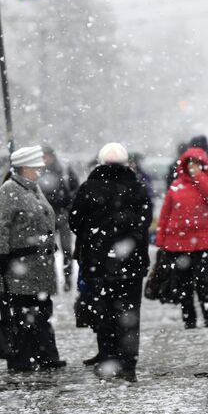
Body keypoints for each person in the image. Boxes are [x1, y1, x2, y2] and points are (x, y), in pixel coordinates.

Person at [69, 142, 152, 382]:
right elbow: (145, 220)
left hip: (99, 262)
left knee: (103, 311)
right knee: (129, 312)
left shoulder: (89, 188)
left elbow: (75, 221)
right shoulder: (136, 187)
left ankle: (108, 358)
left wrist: (94, 236)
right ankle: (128, 362)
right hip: (131, 262)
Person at [0, 145, 65, 372]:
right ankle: (23, 359)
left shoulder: (33, 188)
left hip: (37, 267)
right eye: (36, 167)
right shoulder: (10, 189)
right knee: (21, 315)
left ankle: (45, 355)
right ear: (23, 168)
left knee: (40, 312)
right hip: (18, 267)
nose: (40, 170)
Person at [155, 147, 208, 329]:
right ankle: (189, 319)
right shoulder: (176, 186)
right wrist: (161, 241)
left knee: (204, 282)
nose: (193, 167)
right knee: (183, 284)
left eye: (197, 163)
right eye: (190, 163)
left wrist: (199, 177)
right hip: (178, 244)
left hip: (203, 242)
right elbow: (165, 215)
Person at [39, 146, 77, 292]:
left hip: (62, 214)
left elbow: (75, 191)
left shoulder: (64, 171)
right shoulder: (39, 173)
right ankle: (52, 282)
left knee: (66, 250)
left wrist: (68, 209)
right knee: (48, 250)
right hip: (47, 216)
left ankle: (67, 279)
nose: (45, 159)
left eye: (47, 156)